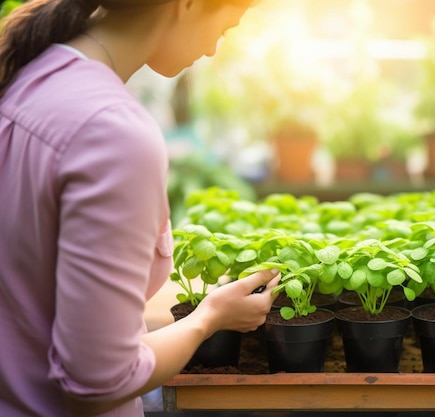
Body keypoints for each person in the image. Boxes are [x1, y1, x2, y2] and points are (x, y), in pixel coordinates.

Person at [0, 1, 281, 416]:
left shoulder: (30, 75)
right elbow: (99, 381)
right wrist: (208, 318)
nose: (212, 50)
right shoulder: (111, 131)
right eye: (222, 30)